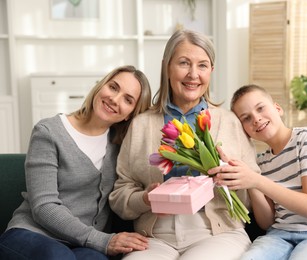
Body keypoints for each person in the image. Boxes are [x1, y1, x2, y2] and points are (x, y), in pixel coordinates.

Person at [108, 30, 260, 260]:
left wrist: (233, 178)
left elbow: (253, 191)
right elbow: (120, 194)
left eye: (202, 65)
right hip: (154, 236)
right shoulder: (141, 125)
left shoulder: (229, 122)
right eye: (183, 63)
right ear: (166, 67)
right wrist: (145, 199)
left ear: (211, 71)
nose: (193, 74)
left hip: (218, 233)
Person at [0, 65, 152, 260]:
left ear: (130, 113)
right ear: (101, 86)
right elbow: (44, 206)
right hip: (32, 233)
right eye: (113, 87)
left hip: (81, 245)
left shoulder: (121, 147)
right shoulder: (48, 132)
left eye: (128, 99)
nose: (115, 99)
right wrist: (103, 240)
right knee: (58, 256)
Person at [209, 84, 307, 260]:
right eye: (246, 118)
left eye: (260, 108)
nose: (256, 119)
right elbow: (267, 222)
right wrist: (250, 179)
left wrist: (257, 180)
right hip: (279, 235)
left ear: (278, 109)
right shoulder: (261, 162)